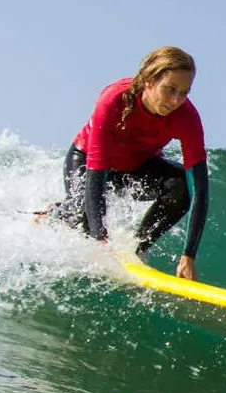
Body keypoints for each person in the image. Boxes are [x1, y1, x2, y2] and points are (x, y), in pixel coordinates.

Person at [44, 46, 209, 281]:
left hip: (136, 165)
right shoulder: (113, 99)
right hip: (88, 161)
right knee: (81, 218)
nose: (176, 100)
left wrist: (189, 255)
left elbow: (199, 189)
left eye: (184, 92)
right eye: (170, 89)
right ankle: (55, 213)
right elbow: (97, 172)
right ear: (149, 81)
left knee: (180, 187)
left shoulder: (187, 117)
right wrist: (100, 240)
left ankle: (137, 250)